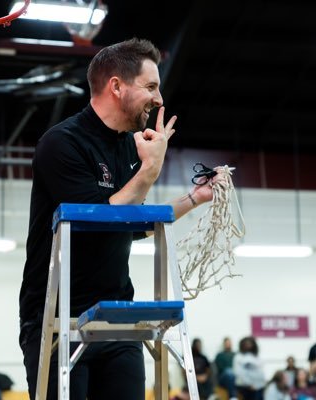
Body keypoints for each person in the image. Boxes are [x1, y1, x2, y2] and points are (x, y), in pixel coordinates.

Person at [19, 38, 225, 400]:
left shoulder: (130, 147)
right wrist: (150, 170)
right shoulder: (62, 143)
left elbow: (130, 226)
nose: (159, 99)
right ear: (116, 86)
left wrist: (195, 198)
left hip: (117, 319)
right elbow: (95, 223)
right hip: (56, 321)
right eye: (150, 87)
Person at [233, 336, 266, 400]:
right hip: (245, 386)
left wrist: (262, 383)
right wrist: (248, 384)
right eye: (246, 343)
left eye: (250, 343)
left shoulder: (256, 357)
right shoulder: (239, 357)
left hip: (259, 385)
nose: (248, 345)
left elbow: (261, 370)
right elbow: (238, 373)